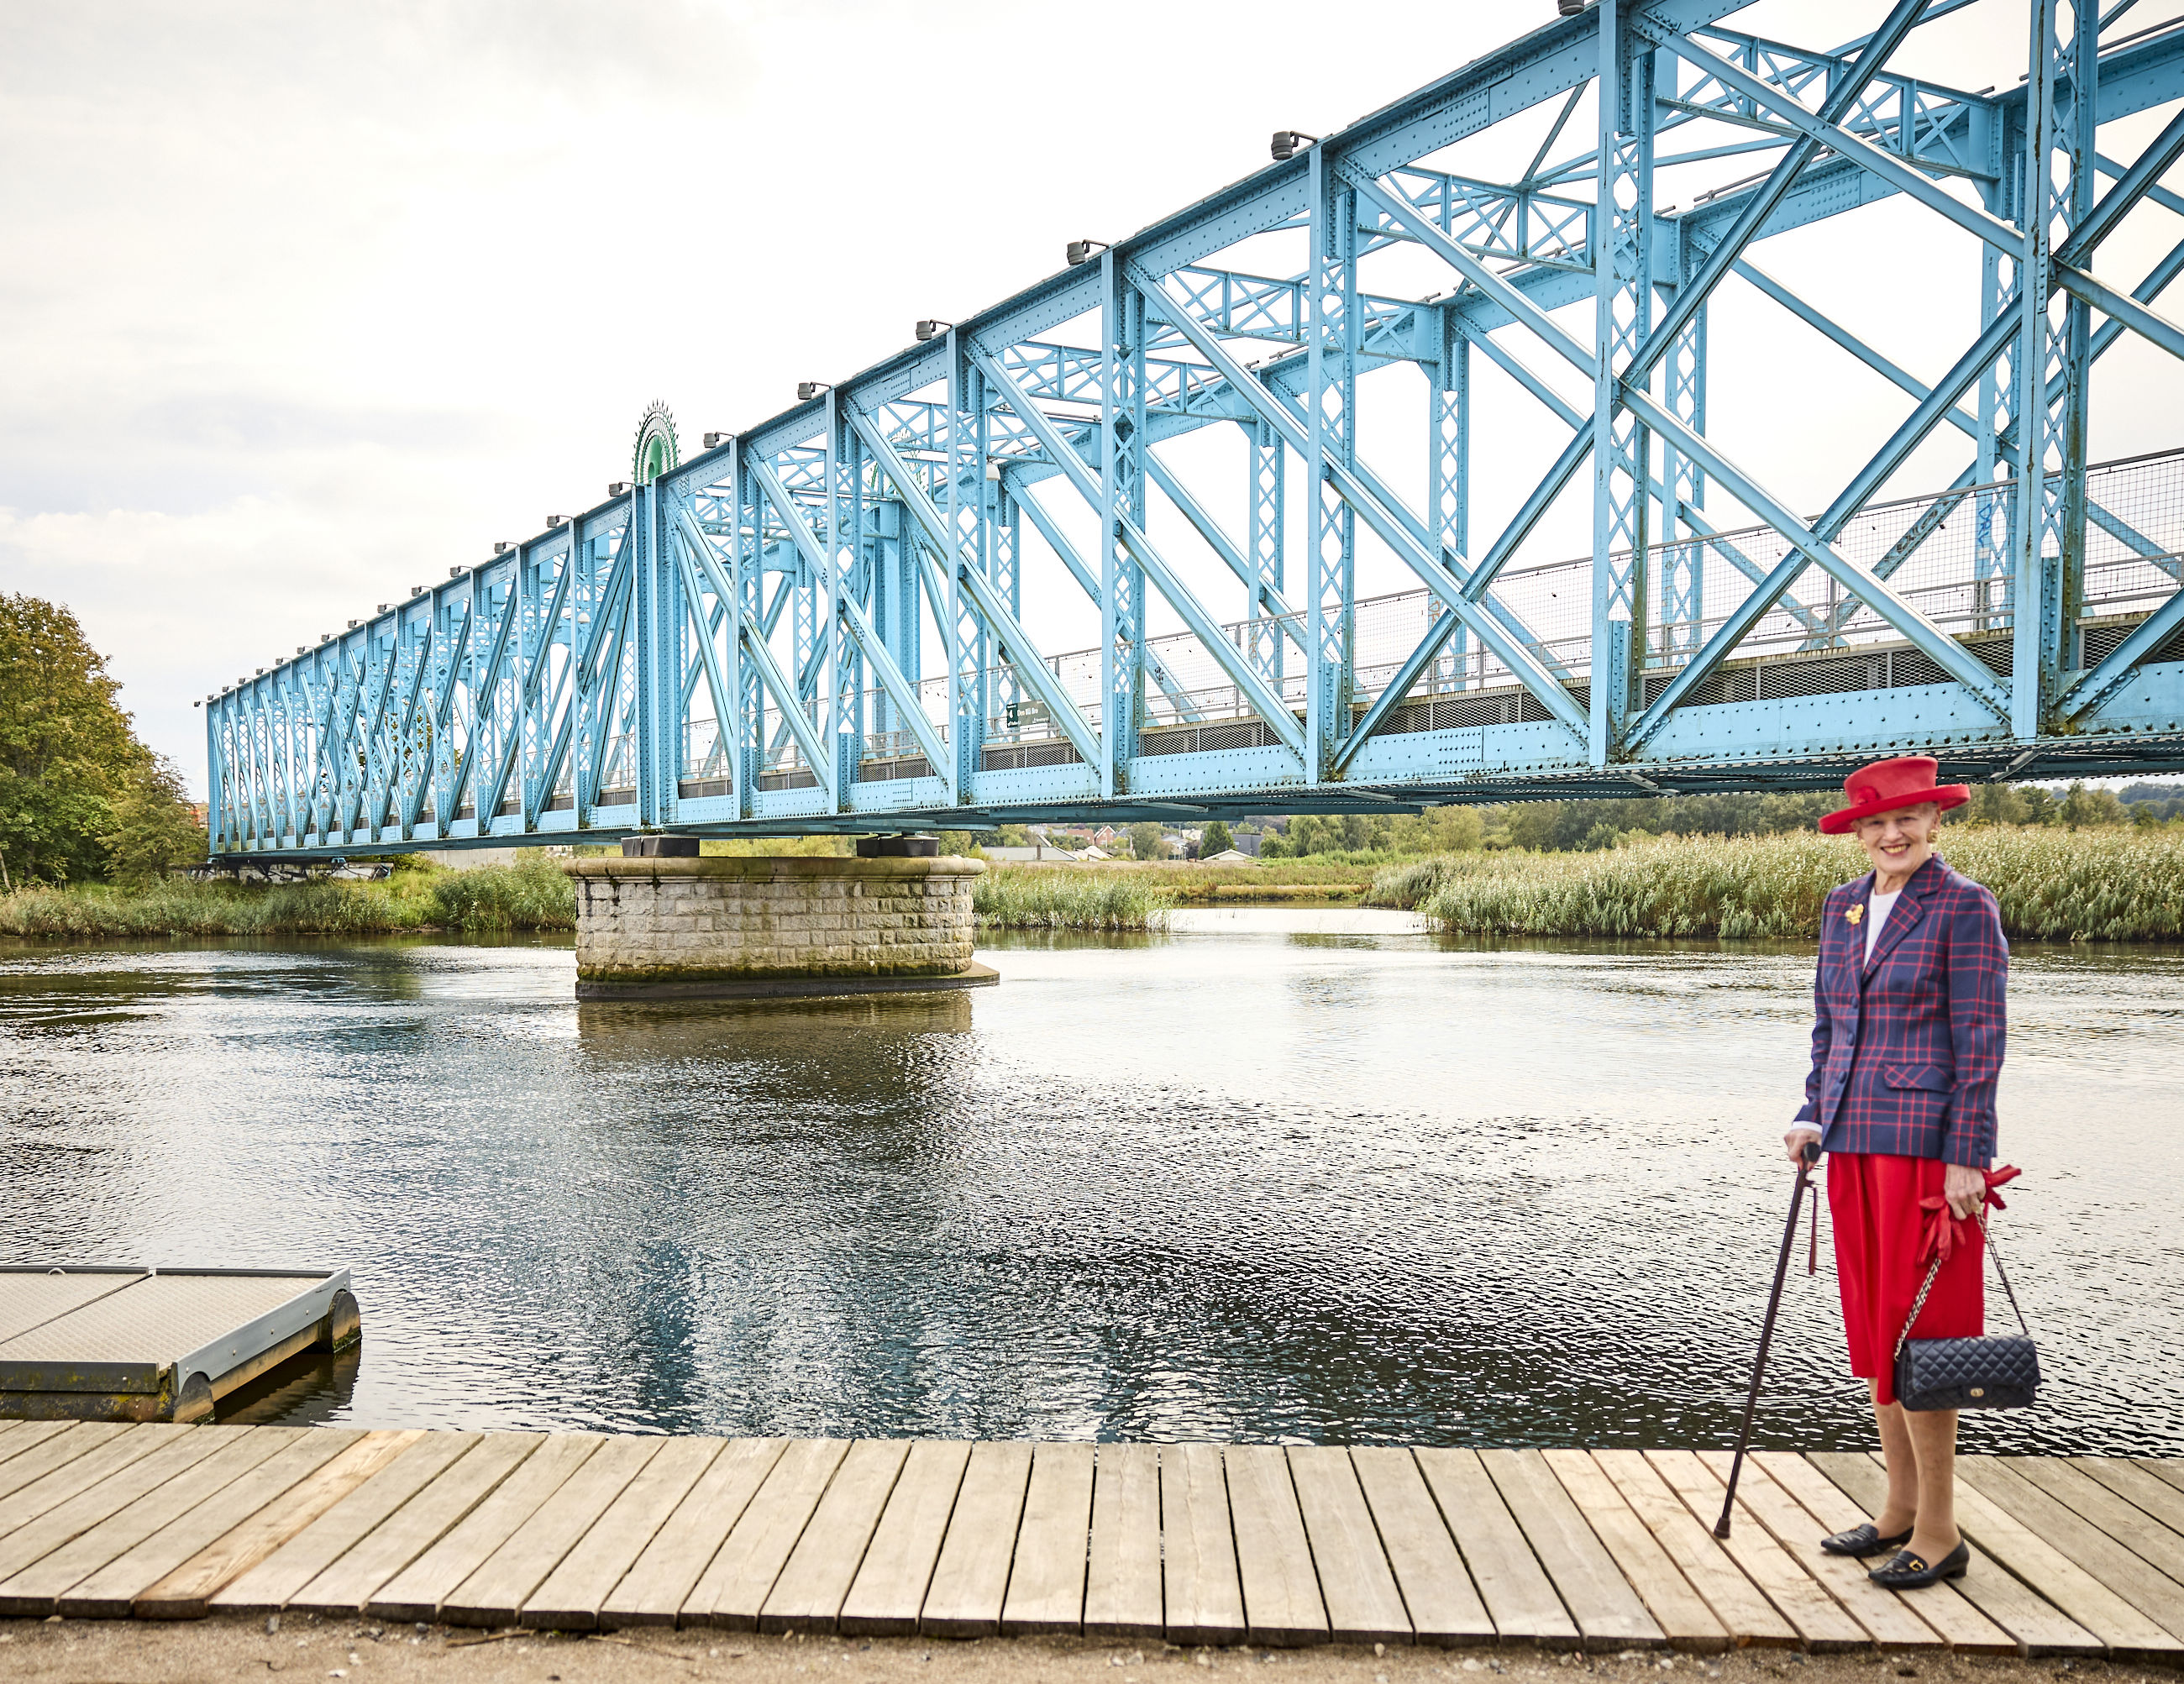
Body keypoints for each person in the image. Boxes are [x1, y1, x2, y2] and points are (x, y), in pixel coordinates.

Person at [1784, 755, 2008, 1591]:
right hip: (1849, 1141)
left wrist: (1966, 1155)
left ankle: (1942, 1530)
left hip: (1924, 1152)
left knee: (1927, 1337)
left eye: (1906, 819)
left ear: (1933, 822)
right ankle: (1897, 1510)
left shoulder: (1962, 906)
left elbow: (1979, 1041)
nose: (1890, 833)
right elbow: (1827, 1028)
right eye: (1875, 822)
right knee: (1878, 1329)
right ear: (1856, 830)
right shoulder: (1841, 906)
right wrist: (1811, 1112)